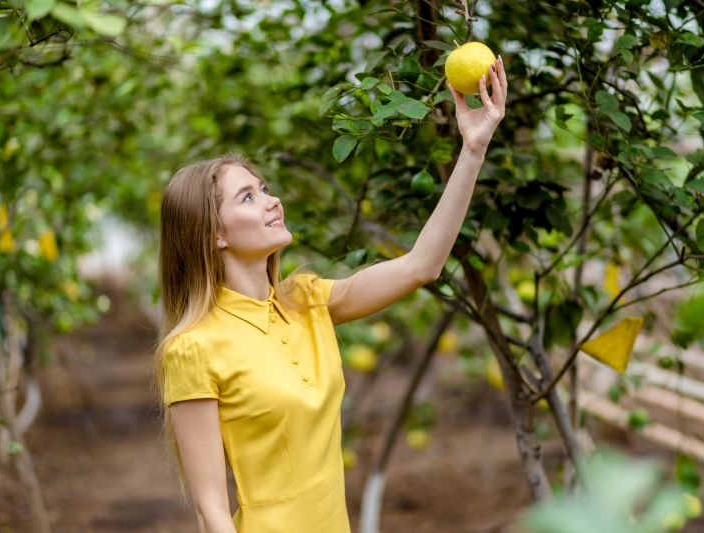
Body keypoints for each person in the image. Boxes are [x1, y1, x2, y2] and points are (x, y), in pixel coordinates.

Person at [153, 56, 507, 533]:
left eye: (264, 188)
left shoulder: (306, 301)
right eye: (248, 197)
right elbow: (210, 511)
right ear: (213, 233)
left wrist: (473, 150)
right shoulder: (193, 347)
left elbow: (422, 265)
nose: (273, 201)